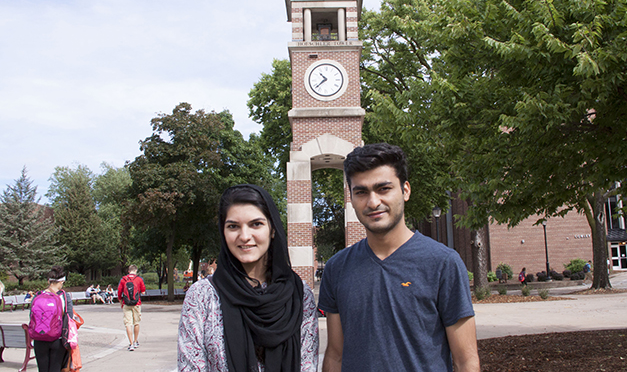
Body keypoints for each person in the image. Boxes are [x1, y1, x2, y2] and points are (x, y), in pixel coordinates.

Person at [318, 143, 479, 372]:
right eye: (361, 192)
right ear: (351, 198)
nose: (373, 202)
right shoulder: (337, 268)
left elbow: (466, 361)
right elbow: (335, 356)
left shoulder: (443, 263)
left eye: (383, 188)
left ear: (405, 190)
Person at [177, 184, 319, 372]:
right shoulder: (202, 297)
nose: (244, 236)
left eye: (256, 224)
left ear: (273, 229)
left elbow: (307, 365)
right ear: (223, 232)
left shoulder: (299, 295)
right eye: (233, 226)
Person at [31, 266, 73, 372]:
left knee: (42, 369)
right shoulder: (63, 296)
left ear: (48, 281)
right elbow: (69, 317)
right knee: (55, 369)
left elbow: (32, 317)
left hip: (39, 339)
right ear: (61, 281)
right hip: (57, 339)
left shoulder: (38, 296)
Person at [118, 265, 146, 351]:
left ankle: (130, 344)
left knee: (128, 324)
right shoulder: (139, 279)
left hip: (126, 304)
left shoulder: (123, 279)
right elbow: (143, 292)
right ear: (136, 270)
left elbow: (119, 293)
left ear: (128, 271)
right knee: (136, 322)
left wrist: (121, 303)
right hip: (136, 304)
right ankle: (135, 341)